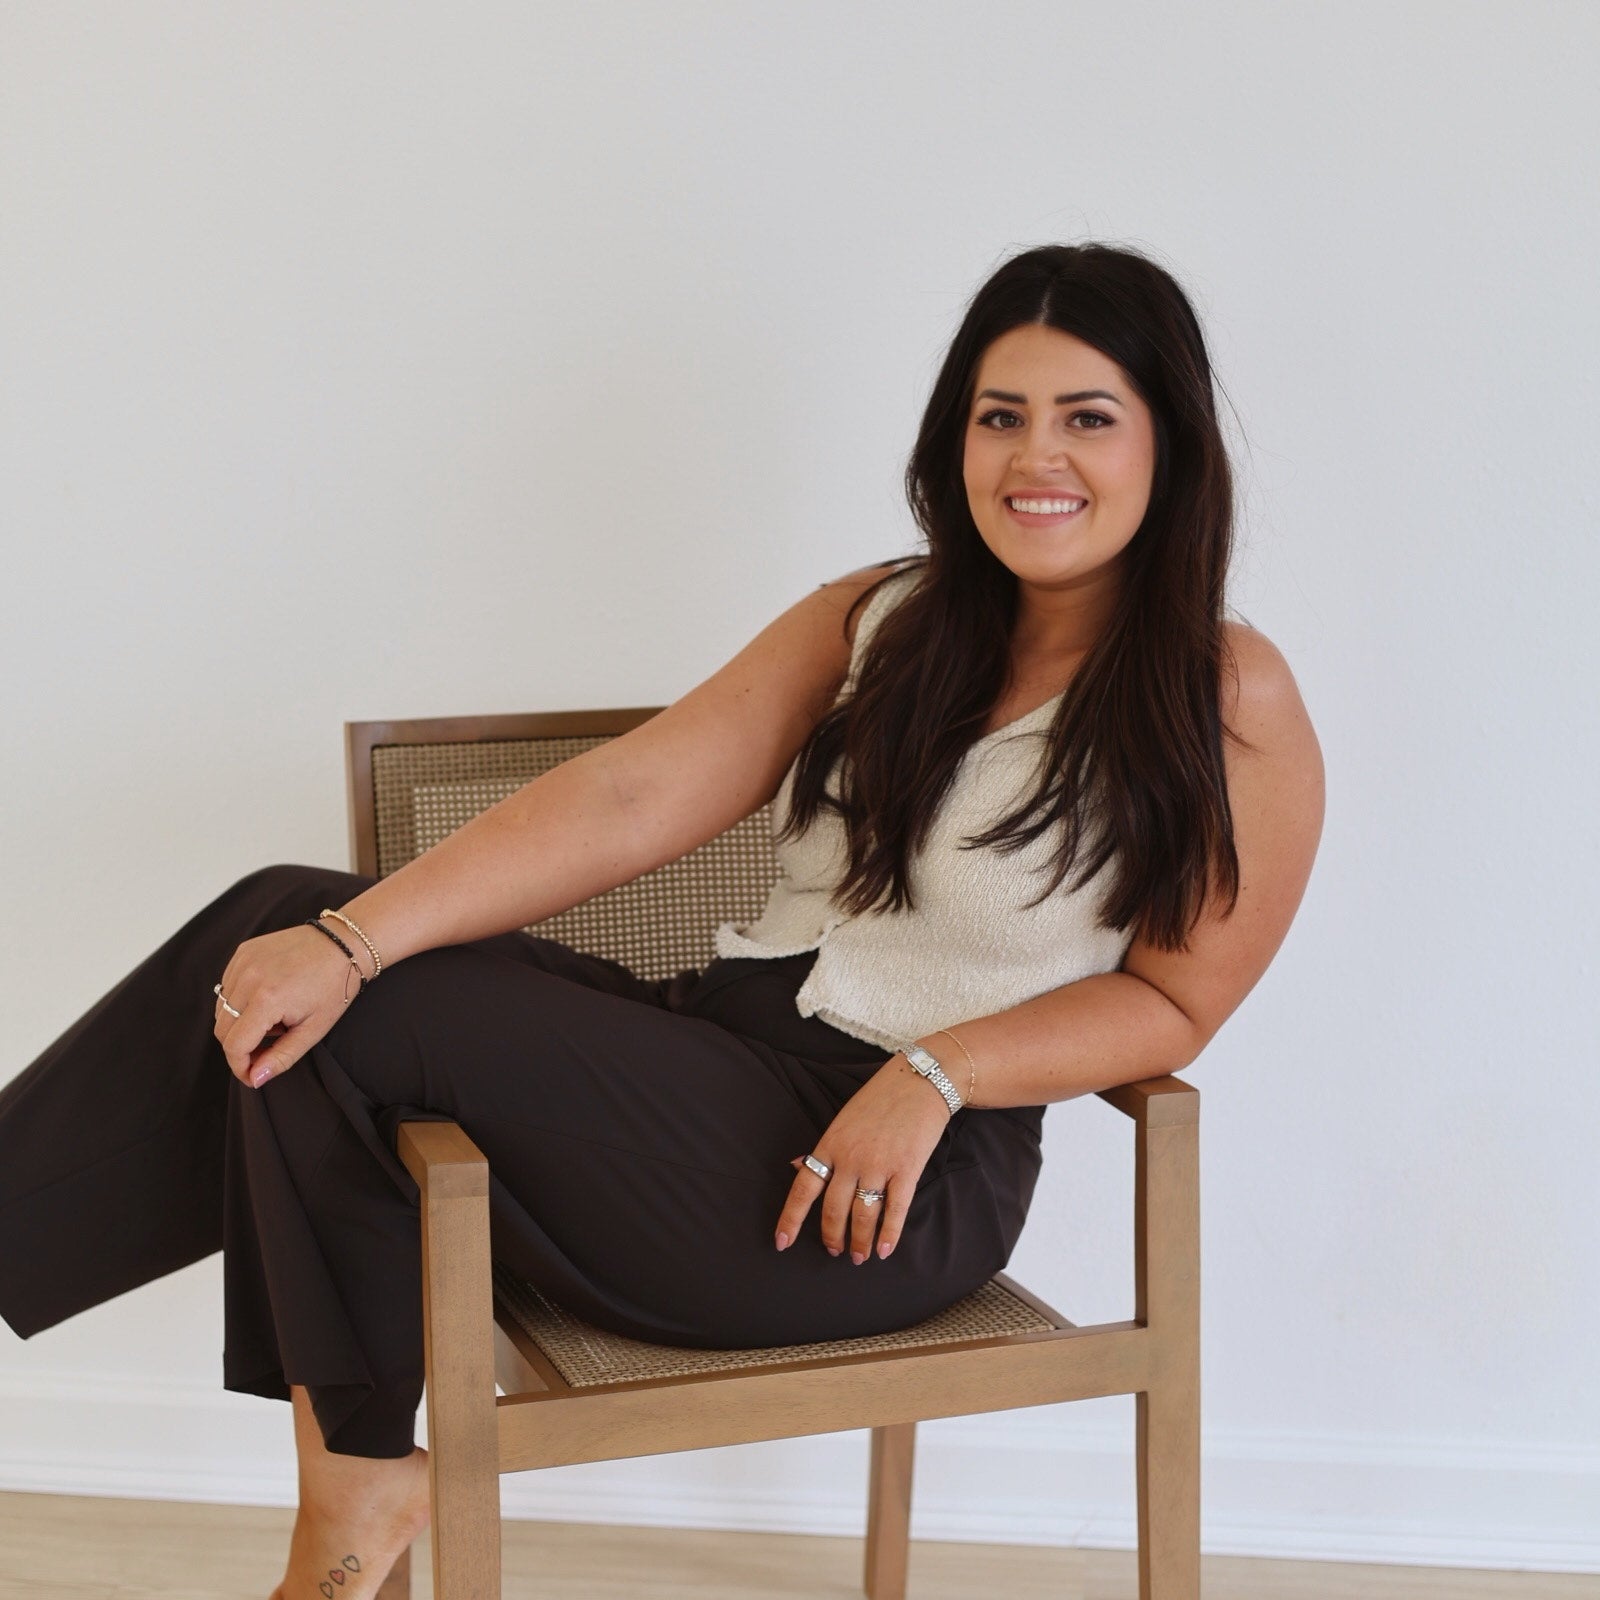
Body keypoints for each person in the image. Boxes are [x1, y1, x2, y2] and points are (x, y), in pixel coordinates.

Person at [0, 241, 1324, 1598]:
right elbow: (634, 794)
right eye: (1003, 416)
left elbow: (1178, 1003)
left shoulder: (1227, 698)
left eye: (1087, 418)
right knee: (288, 927)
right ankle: (357, 1473)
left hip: (874, 1188)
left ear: (1169, 442)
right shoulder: (883, 616)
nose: (1036, 458)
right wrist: (352, 938)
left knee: (353, 1006)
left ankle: (357, 1486)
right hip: (714, 1065)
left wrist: (942, 1071)